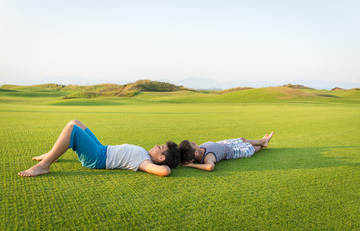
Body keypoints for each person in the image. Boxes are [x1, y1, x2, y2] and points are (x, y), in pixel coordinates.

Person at [18, 120, 180, 177]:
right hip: (102, 149)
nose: (155, 146)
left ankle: (44, 166)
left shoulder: (144, 162)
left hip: (98, 158)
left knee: (71, 131)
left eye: (159, 147)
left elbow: (165, 171)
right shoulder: (145, 153)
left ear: (161, 158)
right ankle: (53, 153)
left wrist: (167, 166)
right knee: (74, 122)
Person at [179, 132, 273, 171]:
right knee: (251, 148)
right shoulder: (208, 157)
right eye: (193, 144)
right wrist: (192, 165)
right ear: (195, 153)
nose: (194, 142)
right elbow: (210, 167)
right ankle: (262, 144)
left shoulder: (199, 149)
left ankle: (262, 141)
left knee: (242, 139)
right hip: (234, 151)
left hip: (226, 143)